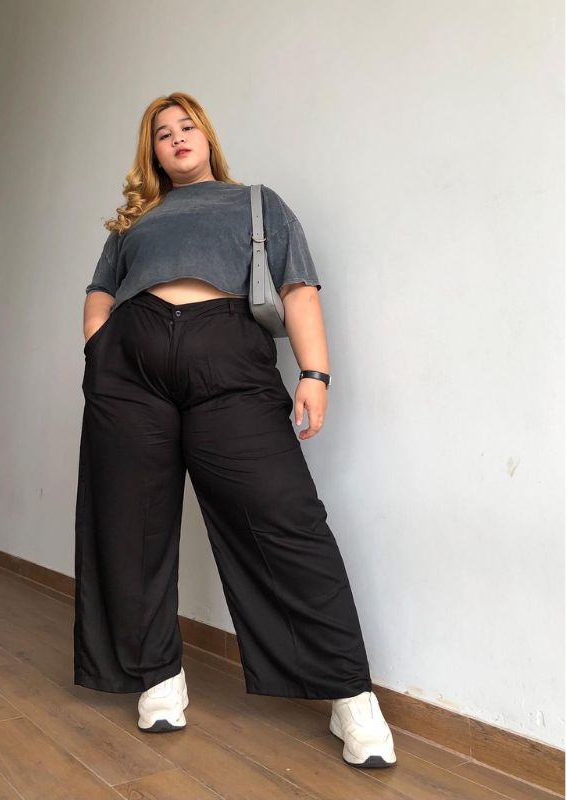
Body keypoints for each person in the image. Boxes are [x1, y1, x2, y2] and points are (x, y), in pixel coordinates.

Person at [74, 92, 397, 769]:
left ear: (207, 135)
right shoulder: (135, 220)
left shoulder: (257, 203)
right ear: (151, 152)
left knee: (283, 514)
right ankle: (156, 676)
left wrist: (315, 373)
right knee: (132, 521)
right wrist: (99, 347)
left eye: (186, 125)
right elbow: (101, 289)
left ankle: (349, 694)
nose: (176, 137)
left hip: (229, 358)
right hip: (130, 370)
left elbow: (298, 287)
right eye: (162, 133)